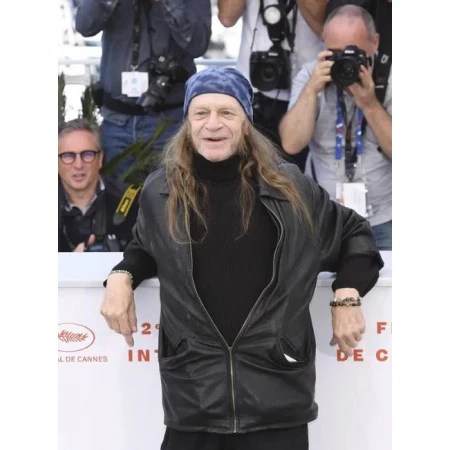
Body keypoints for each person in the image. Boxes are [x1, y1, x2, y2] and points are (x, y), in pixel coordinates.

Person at [100, 67, 384, 450]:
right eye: (201, 113)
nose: (213, 124)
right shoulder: (160, 191)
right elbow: (147, 245)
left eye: (227, 112)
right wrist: (122, 274)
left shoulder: (290, 189)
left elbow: (354, 234)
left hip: (276, 395)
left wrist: (347, 294)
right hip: (194, 395)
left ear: (246, 122)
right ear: (187, 122)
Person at [279, 4, 392, 250]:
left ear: (375, 42)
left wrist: (370, 104)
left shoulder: (392, 76)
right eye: (336, 53)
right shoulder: (311, 75)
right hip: (325, 218)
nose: (345, 63)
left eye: (354, 53)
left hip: (385, 219)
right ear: (324, 42)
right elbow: (291, 143)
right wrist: (312, 89)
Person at [75, 0, 212, 178]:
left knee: (171, 191)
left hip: (170, 121)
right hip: (117, 120)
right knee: (116, 193)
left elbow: (198, 44)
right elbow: (84, 25)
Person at [218, 0, 326, 173]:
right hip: (254, 91)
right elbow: (227, 18)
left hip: (307, 91)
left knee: (297, 180)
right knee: (249, 176)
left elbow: (323, 29)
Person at [58, 119, 140, 252]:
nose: (78, 165)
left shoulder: (134, 202)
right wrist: (69, 261)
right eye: (68, 156)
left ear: (100, 159)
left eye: (87, 154)